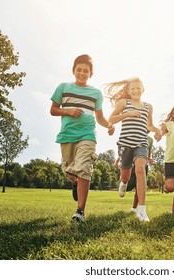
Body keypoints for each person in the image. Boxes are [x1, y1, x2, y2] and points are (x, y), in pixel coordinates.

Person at [50, 54, 115, 223]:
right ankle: (74, 182)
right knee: (69, 170)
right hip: (67, 135)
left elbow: (99, 117)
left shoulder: (95, 93)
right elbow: (53, 110)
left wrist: (108, 125)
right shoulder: (63, 87)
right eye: (79, 70)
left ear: (90, 74)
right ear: (73, 71)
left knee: (84, 168)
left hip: (87, 135)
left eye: (86, 71)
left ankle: (80, 211)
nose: (82, 73)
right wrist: (68, 111)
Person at [106, 77, 161, 222]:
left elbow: (149, 125)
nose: (136, 90)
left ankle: (142, 211)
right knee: (125, 175)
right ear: (128, 91)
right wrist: (127, 114)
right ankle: (123, 183)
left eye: (138, 88)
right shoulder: (124, 102)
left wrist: (157, 131)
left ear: (143, 89)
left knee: (140, 170)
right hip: (125, 143)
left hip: (141, 143)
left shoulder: (148, 106)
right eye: (133, 88)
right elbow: (111, 119)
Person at [114, 135, 154, 213]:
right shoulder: (134, 133)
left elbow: (150, 151)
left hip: (143, 165)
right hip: (131, 164)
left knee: (139, 186)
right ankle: (123, 181)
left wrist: (150, 157)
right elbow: (126, 150)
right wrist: (117, 160)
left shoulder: (150, 139)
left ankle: (134, 208)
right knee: (128, 186)